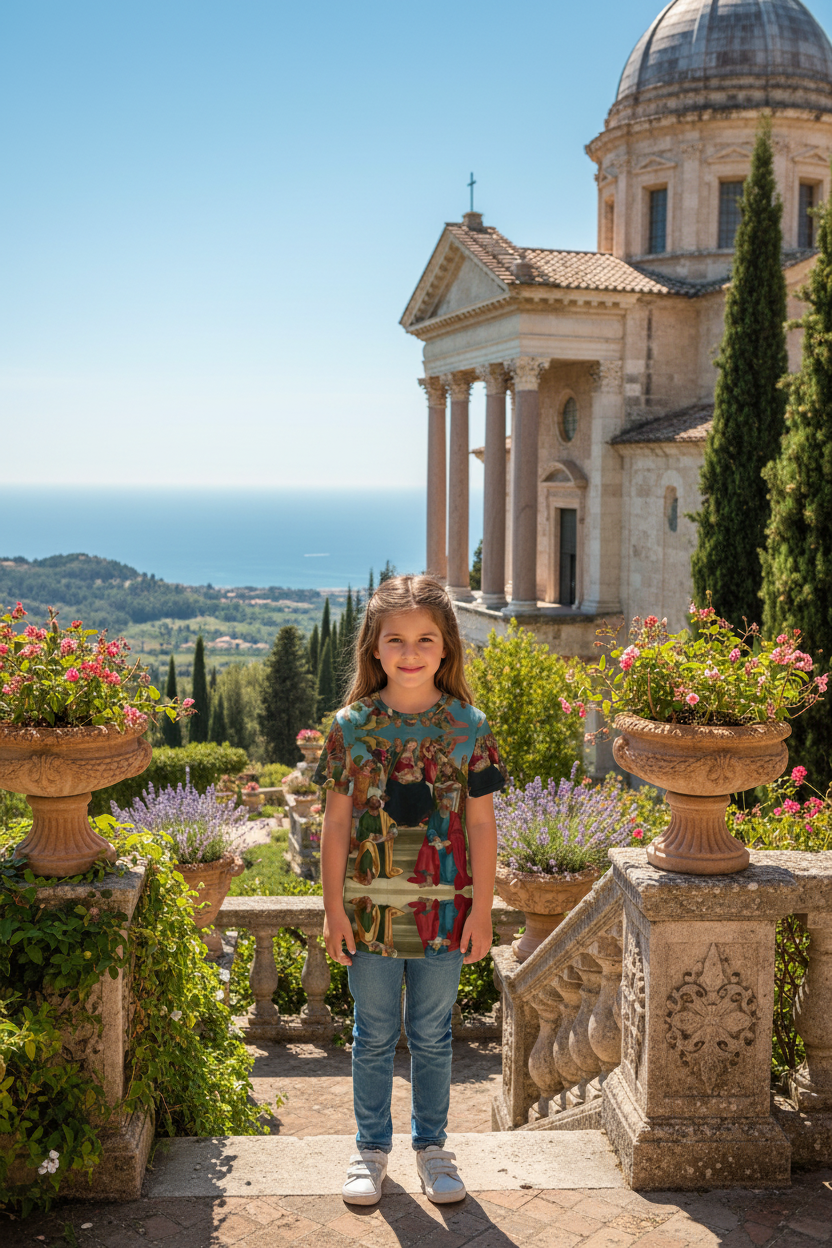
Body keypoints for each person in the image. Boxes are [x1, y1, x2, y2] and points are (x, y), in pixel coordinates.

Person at [315, 574, 506, 1208]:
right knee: (371, 1033)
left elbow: (481, 824)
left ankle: (433, 1148)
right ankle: (370, 1149)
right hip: (370, 916)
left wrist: (483, 910)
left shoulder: (469, 727)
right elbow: (336, 823)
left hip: (447, 915)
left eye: (425, 638)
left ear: (447, 647)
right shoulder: (350, 727)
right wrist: (333, 910)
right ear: (373, 647)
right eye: (395, 639)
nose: (410, 651)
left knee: (431, 1034)